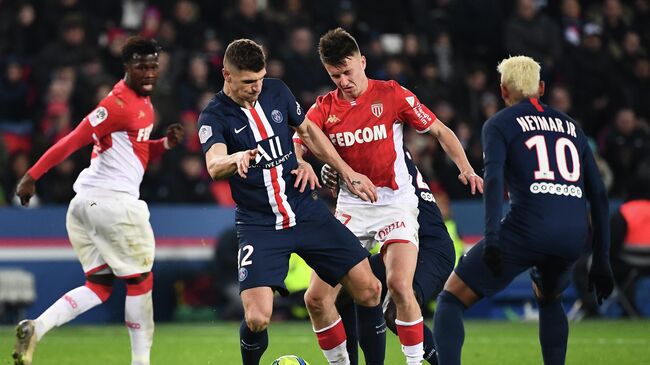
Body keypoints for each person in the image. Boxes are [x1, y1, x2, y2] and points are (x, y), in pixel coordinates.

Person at [293, 28, 482, 365]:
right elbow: (300, 137)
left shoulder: (392, 94)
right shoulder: (324, 108)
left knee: (398, 285)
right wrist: (301, 162)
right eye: (335, 75)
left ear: (362, 62)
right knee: (316, 298)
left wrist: (465, 167)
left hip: (395, 201)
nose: (344, 81)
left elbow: (439, 129)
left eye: (348, 72)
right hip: (352, 208)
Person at [197, 38, 382, 365]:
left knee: (368, 289)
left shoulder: (277, 91)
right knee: (257, 318)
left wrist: (346, 171)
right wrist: (235, 157)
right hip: (260, 224)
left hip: (304, 209)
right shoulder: (214, 116)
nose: (256, 87)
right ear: (226, 74)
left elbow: (309, 132)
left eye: (260, 78)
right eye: (247, 82)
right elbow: (214, 164)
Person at [12, 36, 184, 365]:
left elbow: (137, 149)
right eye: (141, 66)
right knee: (141, 281)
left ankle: (38, 327)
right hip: (112, 204)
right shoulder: (117, 104)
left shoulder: (143, 103)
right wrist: (32, 176)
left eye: (153, 66)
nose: (148, 72)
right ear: (126, 67)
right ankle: (141, 362)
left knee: (100, 285)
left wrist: (164, 144)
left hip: (85, 206)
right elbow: (73, 140)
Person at [433, 55, 614, 365]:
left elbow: (493, 182)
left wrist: (491, 238)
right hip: (572, 235)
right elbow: (598, 194)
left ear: (504, 91)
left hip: (527, 228)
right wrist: (602, 260)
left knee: (450, 299)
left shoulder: (500, 123)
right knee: (549, 298)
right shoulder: (572, 127)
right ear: (541, 88)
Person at [320, 146, 456, 365]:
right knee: (345, 288)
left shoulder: (384, 147)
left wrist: (333, 167)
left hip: (431, 248)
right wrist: (332, 168)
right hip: (399, 247)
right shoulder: (376, 141)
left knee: (394, 312)